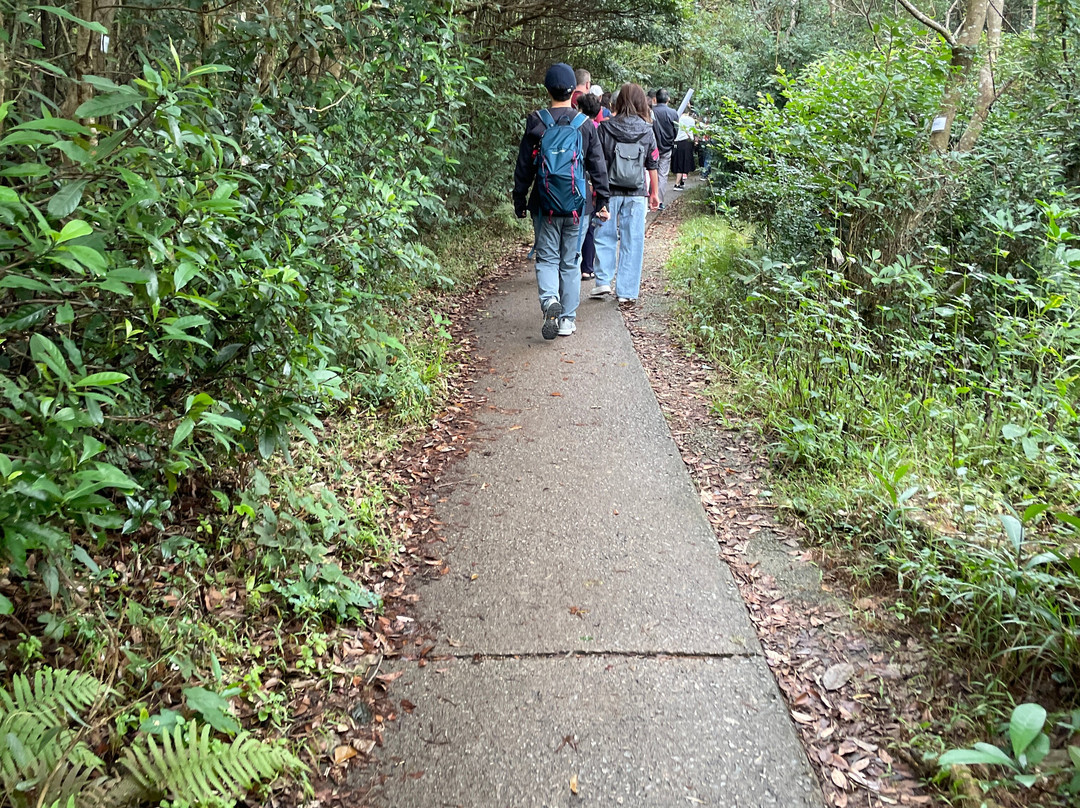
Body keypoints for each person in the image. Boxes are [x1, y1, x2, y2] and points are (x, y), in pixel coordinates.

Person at [514, 63, 611, 339]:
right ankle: (567, 319)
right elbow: (597, 165)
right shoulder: (584, 125)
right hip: (577, 207)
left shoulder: (537, 121)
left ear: (547, 89)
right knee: (570, 261)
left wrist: (519, 199)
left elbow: (523, 167)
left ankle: (549, 302)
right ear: (574, 92)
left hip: (544, 205)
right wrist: (601, 200)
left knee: (546, 258)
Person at [590, 82, 660, 305]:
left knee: (604, 235)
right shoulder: (647, 130)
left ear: (618, 101)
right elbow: (653, 163)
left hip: (609, 191)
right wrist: (654, 192)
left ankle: (602, 281)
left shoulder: (605, 127)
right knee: (633, 239)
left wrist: (595, 188)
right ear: (642, 102)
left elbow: (597, 162)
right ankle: (627, 291)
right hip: (637, 192)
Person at [576, 92, 604, 280]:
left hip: (574, 184)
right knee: (590, 228)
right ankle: (587, 267)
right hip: (591, 185)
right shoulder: (597, 128)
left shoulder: (576, 126)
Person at [650, 88, 678, 210]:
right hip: (666, 148)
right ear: (668, 99)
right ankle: (659, 201)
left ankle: (648, 200)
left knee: (649, 172)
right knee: (662, 174)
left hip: (652, 148)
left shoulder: (650, 111)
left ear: (655, 99)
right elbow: (676, 130)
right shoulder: (673, 113)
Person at [672, 106, 696, 189]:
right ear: (688, 112)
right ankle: (677, 184)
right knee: (684, 163)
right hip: (687, 142)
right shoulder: (691, 120)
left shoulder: (678, 118)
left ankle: (680, 182)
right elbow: (693, 131)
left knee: (679, 163)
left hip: (678, 142)